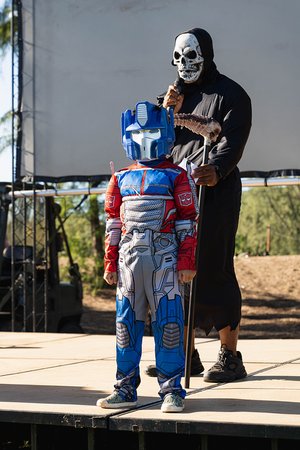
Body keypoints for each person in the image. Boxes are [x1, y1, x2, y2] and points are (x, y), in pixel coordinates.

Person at [145, 28, 252, 383]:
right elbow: (155, 140)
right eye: (177, 58)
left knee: (212, 266)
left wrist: (217, 169)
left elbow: (233, 141)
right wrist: (166, 111)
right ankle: (183, 354)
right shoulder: (173, 96)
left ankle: (230, 355)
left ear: (205, 54)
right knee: (174, 271)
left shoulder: (232, 94)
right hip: (176, 193)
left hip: (214, 193)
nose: (183, 65)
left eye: (191, 56)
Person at [96, 101, 198, 412]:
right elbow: (113, 223)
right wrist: (110, 262)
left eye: (151, 132)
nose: (143, 139)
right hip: (129, 261)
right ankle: (125, 387)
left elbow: (187, 222)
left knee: (169, 325)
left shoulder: (177, 175)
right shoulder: (121, 178)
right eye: (137, 133)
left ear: (165, 133)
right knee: (125, 327)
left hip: (164, 259)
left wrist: (186, 262)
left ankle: (171, 390)